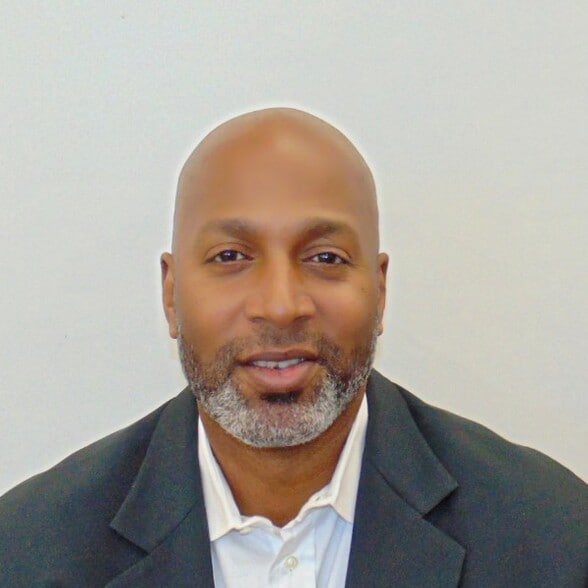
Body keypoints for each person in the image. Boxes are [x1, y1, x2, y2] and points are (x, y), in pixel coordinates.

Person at [0, 108, 585, 587]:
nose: (280, 306)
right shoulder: (27, 552)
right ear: (171, 295)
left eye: (325, 257)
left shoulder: (554, 539)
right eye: (231, 257)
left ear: (380, 291)